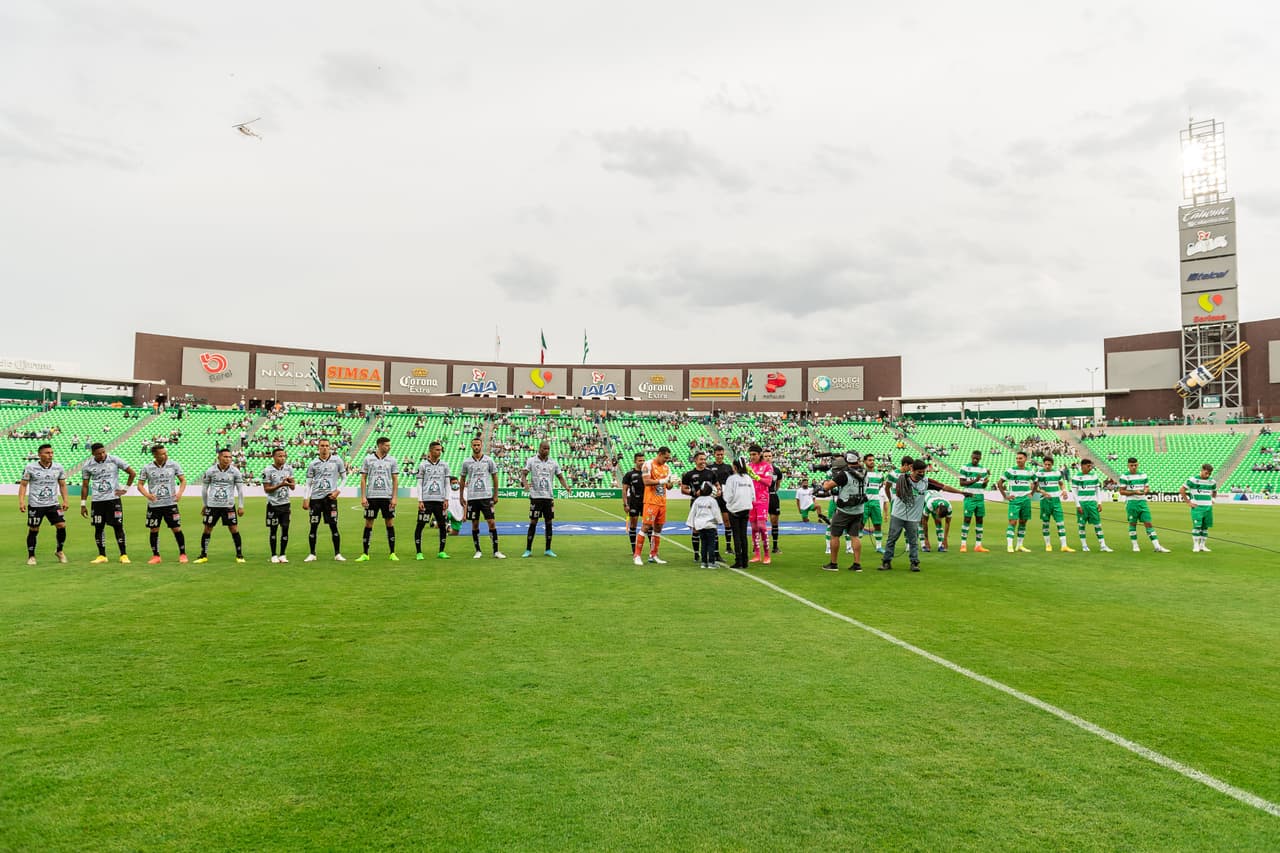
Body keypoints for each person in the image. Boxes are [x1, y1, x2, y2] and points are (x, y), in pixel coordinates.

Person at [882, 459, 965, 572]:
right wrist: (891, 496)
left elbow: (944, 487)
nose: (921, 474)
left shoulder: (926, 482)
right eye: (919, 472)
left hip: (913, 517)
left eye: (923, 472)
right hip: (898, 514)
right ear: (912, 470)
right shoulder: (902, 479)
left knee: (913, 541)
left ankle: (914, 563)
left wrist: (961, 492)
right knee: (892, 539)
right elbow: (888, 484)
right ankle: (886, 562)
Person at [80, 442, 136, 564]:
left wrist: (125, 489)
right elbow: (85, 486)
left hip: (113, 500)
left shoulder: (114, 460)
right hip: (97, 501)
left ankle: (123, 554)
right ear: (93, 454)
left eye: (103, 452)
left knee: (118, 526)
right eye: (98, 453)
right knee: (98, 527)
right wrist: (83, 504)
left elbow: (132, 473)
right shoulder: (87, 465)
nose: (102, 455)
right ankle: (102, 555)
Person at [18, 443, 69, 565]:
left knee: (61, 525)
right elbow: (23, 485)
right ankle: (31, 556)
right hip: (36, 504)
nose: (50, 455)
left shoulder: (58, 467)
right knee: (34, 529)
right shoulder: (30, 467)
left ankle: (59, 551)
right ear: (40, 455)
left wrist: (65, 500)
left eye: (51, 453)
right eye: (47, 453)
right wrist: (21, 501)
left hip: (53, 504)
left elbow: (62, 484)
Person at [136, 444, 188, 563]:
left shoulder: (173, 465)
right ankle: (156, 556)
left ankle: (183, 554)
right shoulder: (147, 468)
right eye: (163, 453)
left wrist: (180, 493)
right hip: (154, 505)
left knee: (176, 528)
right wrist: (147, 495)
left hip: (170, 504)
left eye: (166, 452)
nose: (166, 455)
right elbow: (139, 485)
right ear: (155, 455)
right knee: (154, 530)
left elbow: (183, 480)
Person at [521, 440, 572, 557]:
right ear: (539, 448)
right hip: (536, 497)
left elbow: (560, 477)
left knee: (549, 522)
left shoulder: (553, 463)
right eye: (544, 448)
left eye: (548, 448)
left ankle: (548, 549)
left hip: (548, 497)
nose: (546, 450)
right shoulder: (531, 461)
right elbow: (523, 473)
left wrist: (566, 487)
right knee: (533, 522)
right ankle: (528, 550)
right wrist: (525, 484)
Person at [195, 448, 246, 563]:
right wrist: (205, 504)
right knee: (207, 529)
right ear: (219, 457)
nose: (228, 459)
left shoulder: (235, 471)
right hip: (212, 506)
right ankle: (203, 555)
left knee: (233, 528)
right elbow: (204, 489)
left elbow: (240, 490)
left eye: (230, 457)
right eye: (225, 457)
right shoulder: (210, 471)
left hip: (228, 505)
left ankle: (239, 555)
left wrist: (241, 505)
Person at [819, 453, 867, 572]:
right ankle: (857, 564)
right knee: (855, 536)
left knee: (835, 535)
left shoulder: (844, 474)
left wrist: (826, 480)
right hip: (859, 509)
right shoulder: (865, 472)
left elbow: (827, 487)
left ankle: (833, 564)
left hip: (844, 509)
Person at [460, 436, 505, 559]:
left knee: (491, 523)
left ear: (481, 446)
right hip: (473, 497)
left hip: (486, 497)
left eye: (478, 445)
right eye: (474, 445)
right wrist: (461, 496)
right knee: (475, 524)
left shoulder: (489, 460)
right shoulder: (466, 462)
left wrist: (495, 494)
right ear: (471, 446)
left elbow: (495, 477)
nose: (476, 447)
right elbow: (462, 479)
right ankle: (478, 550)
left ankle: (496, 551)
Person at [303, 437, 346, 562]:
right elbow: (308, 483)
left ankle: (337, 553)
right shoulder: (313, 463)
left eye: (327, 445)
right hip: (315, 499)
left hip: (330, 498)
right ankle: (312, 554)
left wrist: (338, 491)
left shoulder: (337, 461)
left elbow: (344, 478)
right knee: (313, 526)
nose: (324, 448)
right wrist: (305, 498)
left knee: (333, 526)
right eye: (322, 445)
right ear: (318, 447)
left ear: (330, 447)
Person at [357, 436, 399, 562]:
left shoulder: (392, 460)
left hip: (387, 497)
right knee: (368, 523)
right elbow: (363, 479)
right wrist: (363, 496)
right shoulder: (368, 459)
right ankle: (365, 553)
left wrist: (394, 497)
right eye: (386, 445)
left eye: (389, 445)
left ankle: (392, 553)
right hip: (372, 497)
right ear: (380, 445)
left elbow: (395, 479)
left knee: (390, 523)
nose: (389, 447)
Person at [1119, 457, 1171, 552]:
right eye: (1132, 465)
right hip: (1131, 503)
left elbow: (1147, 487)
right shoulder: (1124, 476)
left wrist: (1145, 491)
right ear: (1128, 465)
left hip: (1142, 502)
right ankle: (1135, 545)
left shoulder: (1143, 475)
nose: (1134, 467)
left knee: (1148, 523)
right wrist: (1135, 492)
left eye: (1135, 465)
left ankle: (1157, 546)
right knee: (1133, 524)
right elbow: (1121, 491)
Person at [633, 446, 673, 566]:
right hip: (651, 501)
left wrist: (672, 481)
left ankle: (654, 554)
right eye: (665, 457)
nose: (666, 460)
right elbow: (646, 481)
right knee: (645, 527)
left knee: (658, 529)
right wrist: (662, 481)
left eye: (668, 458)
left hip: (662, 502)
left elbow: (669, 486)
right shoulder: (648, 464)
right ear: (659, 454)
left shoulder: (667, 467)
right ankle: (637, 555)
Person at [680, 451, 720, 563]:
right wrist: (694, 493)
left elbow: (717, 485)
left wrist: (719, 491)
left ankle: (716, 554)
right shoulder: (689, 474)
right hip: (696, 503)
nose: (703, 461)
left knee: (713, 528)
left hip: (709, 504)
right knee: (696, 529)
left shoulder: (710, 473)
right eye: (701, 459)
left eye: (704, 459)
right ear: (695, 460)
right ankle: (696, 554)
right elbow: (683, 489)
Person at [414, 441, 451, 560]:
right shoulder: (423, 465)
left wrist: (446, 499)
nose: (439, 452)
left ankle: (441, 551)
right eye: (437, 450)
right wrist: (420, 500)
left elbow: (447, 483)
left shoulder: (444, 465)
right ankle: (419, 552)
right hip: (426, 501)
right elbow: (419, 484)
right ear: (431, 451)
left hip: (440, 501)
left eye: (440, 450)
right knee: (420, 525)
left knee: (442, 525)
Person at [997, 451, 1037, 553]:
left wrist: (1032, 493)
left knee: (1023, 522)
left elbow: (1036, 482)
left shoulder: (1030, 471)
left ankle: (1019, 545)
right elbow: (1000, 483)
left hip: (1026, 500)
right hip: (1015, 500)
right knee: (1013, 522)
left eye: (1020, 458)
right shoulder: (1010, 471)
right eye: (1017, 458)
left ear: (1025, 459)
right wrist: (1005, 496)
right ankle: (1010, 545)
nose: (1018, 460)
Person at [261, 447, 296, 563]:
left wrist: (290, 482)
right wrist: (280, 485)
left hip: (286, 504)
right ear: (274, 457)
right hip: (273, 505)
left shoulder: (289, 469)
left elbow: (293, 487)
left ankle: (283, 554)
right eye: (280, 456)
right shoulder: (267, 471)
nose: (282, 458)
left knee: (285, 529)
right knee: (273, 530)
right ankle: (273, 555)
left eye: (284, 456)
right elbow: (266, 489)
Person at [1070, 459, 1112, 552]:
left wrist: (1099, 503)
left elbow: (1097, 490)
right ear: (1082, 466)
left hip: (1092, 503)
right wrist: (1078, 505)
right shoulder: (1076, 477)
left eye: (1090, 466)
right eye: (1088, 466)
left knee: (1098, 524)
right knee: (1081, 525)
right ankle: (1084, 545)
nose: (1090, 468)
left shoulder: (1094, 476)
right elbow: (1074, 493)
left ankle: (1103, 545)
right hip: (1082, 504)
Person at [1035, 455, 1074, 552]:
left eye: (1049, 464)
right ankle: (1048, 545)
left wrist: (1064, 490)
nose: (1047, 466)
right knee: (1045, 523)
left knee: (1060, 523)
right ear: (1043, 464)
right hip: (1045, 501)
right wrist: (1042, 491)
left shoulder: (1057, 473)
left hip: (1056, 501)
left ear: (1052, 464)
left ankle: (1064, 546)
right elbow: (1033, 487)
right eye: (1045, 464)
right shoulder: (1039, 474)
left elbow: (1061, 483)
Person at [723, 457, 755, 569]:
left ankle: (739, 560)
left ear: (735, 467)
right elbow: (752, 495)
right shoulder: (748, 478)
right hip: (746, 509)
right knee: (743, 535)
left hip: (735, 510)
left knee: (736, 535)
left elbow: (728, 496)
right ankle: (745, 561)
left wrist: (729, 505)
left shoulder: (732, 479)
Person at [957, 450, 990, 553]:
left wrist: (985, 483)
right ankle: (963, 545)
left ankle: (978, 545)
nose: (975, 459)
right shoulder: (965, 468)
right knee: (967, 520)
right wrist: (975, 480)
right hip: (969, 497)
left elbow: (983, 486)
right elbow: (962, 483)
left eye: (977, 458)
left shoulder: (983, 470)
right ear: (971, 456)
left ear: (980, 458)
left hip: (980, 497)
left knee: (980, 520)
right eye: (974, 458)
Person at [1180, 463, 1218, 552]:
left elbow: (1215, 491)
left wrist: (1213, 499)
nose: (1207, 475)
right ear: (1202, 470)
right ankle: (1196, 545)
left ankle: (1202, 545)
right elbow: (1182, 490)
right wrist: (1188, 502)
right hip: (1197, 507)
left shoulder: (1212, 481)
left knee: (1205, 527)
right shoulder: (1192, 480)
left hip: (1208, 507)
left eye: (1209, 473)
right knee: (1197, 526)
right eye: (1206, 473)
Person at [746, 444, 773, 564]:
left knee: (762, 526)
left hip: (762, 499)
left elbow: (769, 482)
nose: (752, 457)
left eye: (754, 454)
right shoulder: (749, 466)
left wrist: (756, 477)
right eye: (751, 454)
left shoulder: (767, 466)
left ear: (759, 454)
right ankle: (757, 554)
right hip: (751, 499)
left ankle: (767, 554)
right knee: (754, 527)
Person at [686, 482, 722, 569]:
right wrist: (719, 521)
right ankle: (711, 562)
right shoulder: (712, 501)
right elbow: (716, 512)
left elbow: (692, 512)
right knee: (711, 544)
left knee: (704, 544)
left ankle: (703, 562)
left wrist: (690, 523)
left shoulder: (697, 500)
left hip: (700, 525)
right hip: (710, 525)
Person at [708, 446, 736, 556]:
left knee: (727, 521)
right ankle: (713, 547)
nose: (720, 456)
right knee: (712, 521)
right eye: (718, 454)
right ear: (714, 454)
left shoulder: (728, 467)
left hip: (725, 498)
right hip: (713, 498)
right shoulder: (710, 467)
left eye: (721, 454)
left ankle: (728, 546)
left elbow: (733, 481)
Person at [621, 452, 646, 554]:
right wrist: (625, 504)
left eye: (643, 460)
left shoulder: (648, 473)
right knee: (633, 524)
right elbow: (624, 490)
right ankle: (634, 549)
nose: (642, 462)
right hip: (634, 502)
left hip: (646, 502)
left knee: (648, 525)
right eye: (640, 460)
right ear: (635, 461)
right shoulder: (629, 474)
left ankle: (652, 551)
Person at [861, 454, 884, 553]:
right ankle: (855, 546)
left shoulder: (880, 474)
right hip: (864, 502)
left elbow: (880, 485)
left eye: (873, 460)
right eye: (869, 460)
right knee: (860, 525)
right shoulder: (861, 473)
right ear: (865, 462)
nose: (872, 462)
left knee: (878, 524)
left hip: (875, 502)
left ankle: (879, 547)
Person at [764, 449, 784, 553]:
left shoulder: (777, 471)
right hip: (762, 497)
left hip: (772, 497)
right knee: (760, 522)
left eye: (769, 456)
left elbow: (778, 485)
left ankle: (775, 546)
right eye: (766, 456)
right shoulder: (760, 469)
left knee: (774, 521)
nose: (768, 458)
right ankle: (757, 545)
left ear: (772, 457)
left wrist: (772, 492)